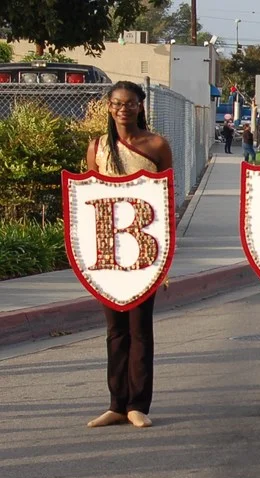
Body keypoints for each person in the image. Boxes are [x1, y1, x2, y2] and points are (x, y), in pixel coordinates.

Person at [84, 81, 174, 429]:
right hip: (109, 251)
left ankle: (138, 404)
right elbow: (92, 198)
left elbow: (166, 198)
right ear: (109, 107)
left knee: (140, 328)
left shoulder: (156, 145)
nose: (124, 109)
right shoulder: (98, 148)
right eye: (117, 103)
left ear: (140, 106)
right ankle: (116, 403)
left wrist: (164, 254)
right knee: (114, 330)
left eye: (130, 103)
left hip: (145, 249)